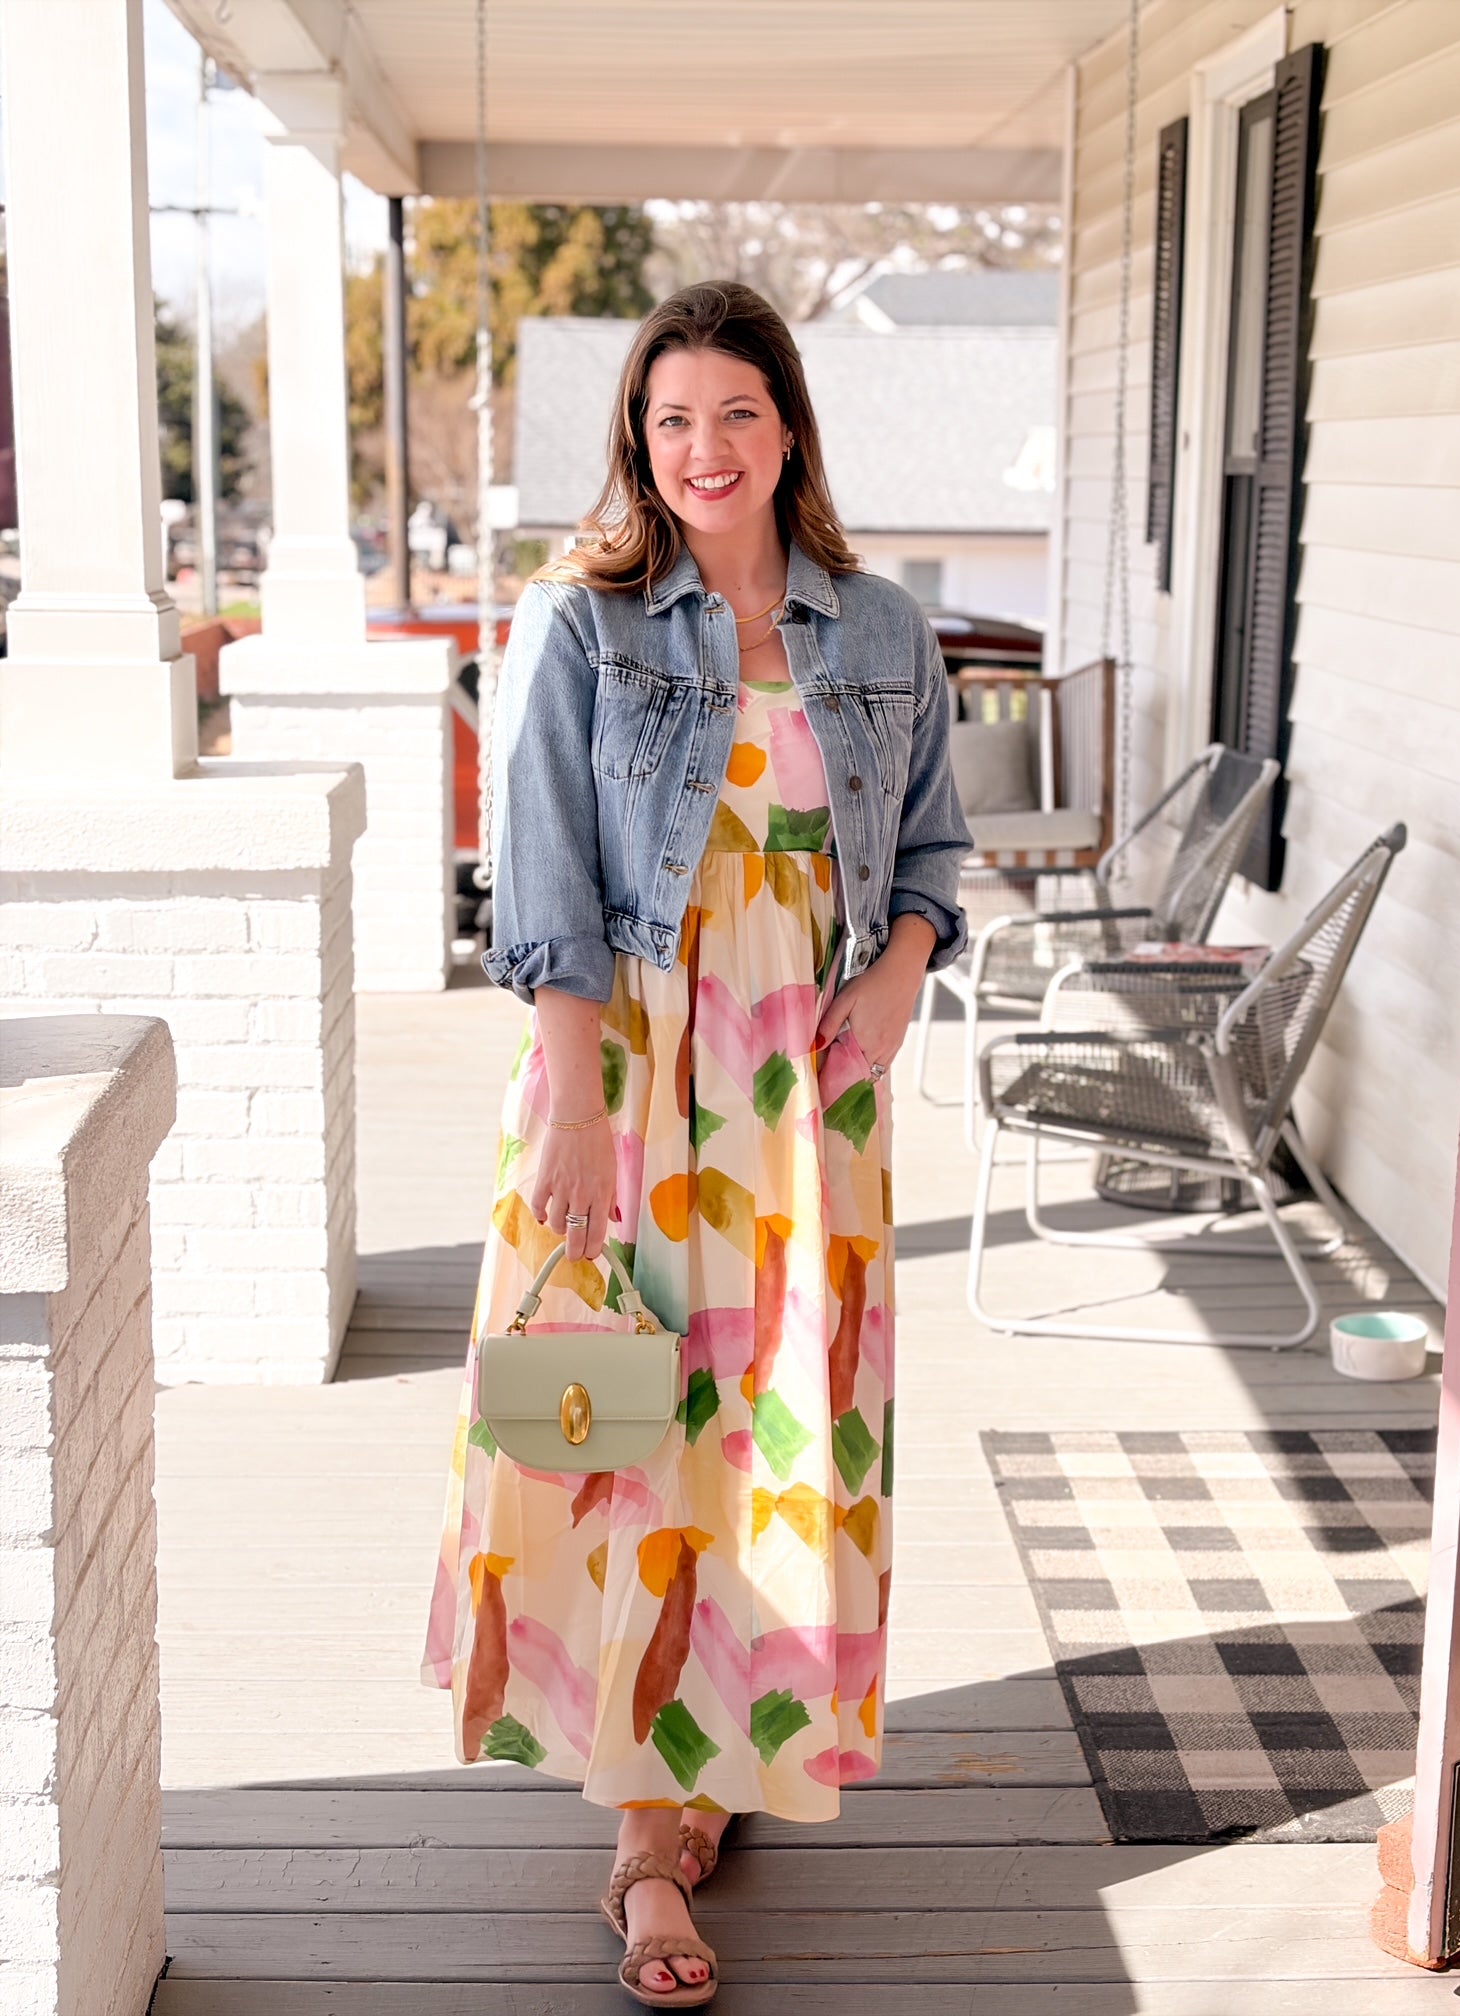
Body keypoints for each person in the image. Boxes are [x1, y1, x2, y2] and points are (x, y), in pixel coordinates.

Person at [422, 280, 971, 2007]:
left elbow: (935, 853)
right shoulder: (581, 624)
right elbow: (542, 879)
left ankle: (719, 1744)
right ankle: (644, 1844)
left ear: (787, 429)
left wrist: (897, 978)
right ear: (638, 443)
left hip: (811, 1091)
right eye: (671, 420)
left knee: (774, 1436)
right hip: (634, 1070)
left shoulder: (881, 628)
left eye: (736, 412)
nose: (703, 448)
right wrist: (575, 1105)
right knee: (637, 1439)